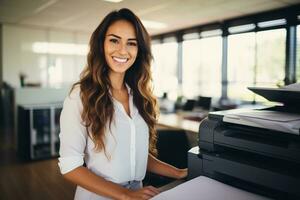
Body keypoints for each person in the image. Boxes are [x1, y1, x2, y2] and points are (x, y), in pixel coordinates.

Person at [58, 8, 187, 200]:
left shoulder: (139, 95)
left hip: (139, 194)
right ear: (101, 44)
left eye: (131, 43)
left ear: (139, 50)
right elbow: (70, 167)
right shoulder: (80, 96)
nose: (122, 50)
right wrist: (125, 194)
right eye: (114, 40)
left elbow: (135, 155)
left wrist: (178, 173)